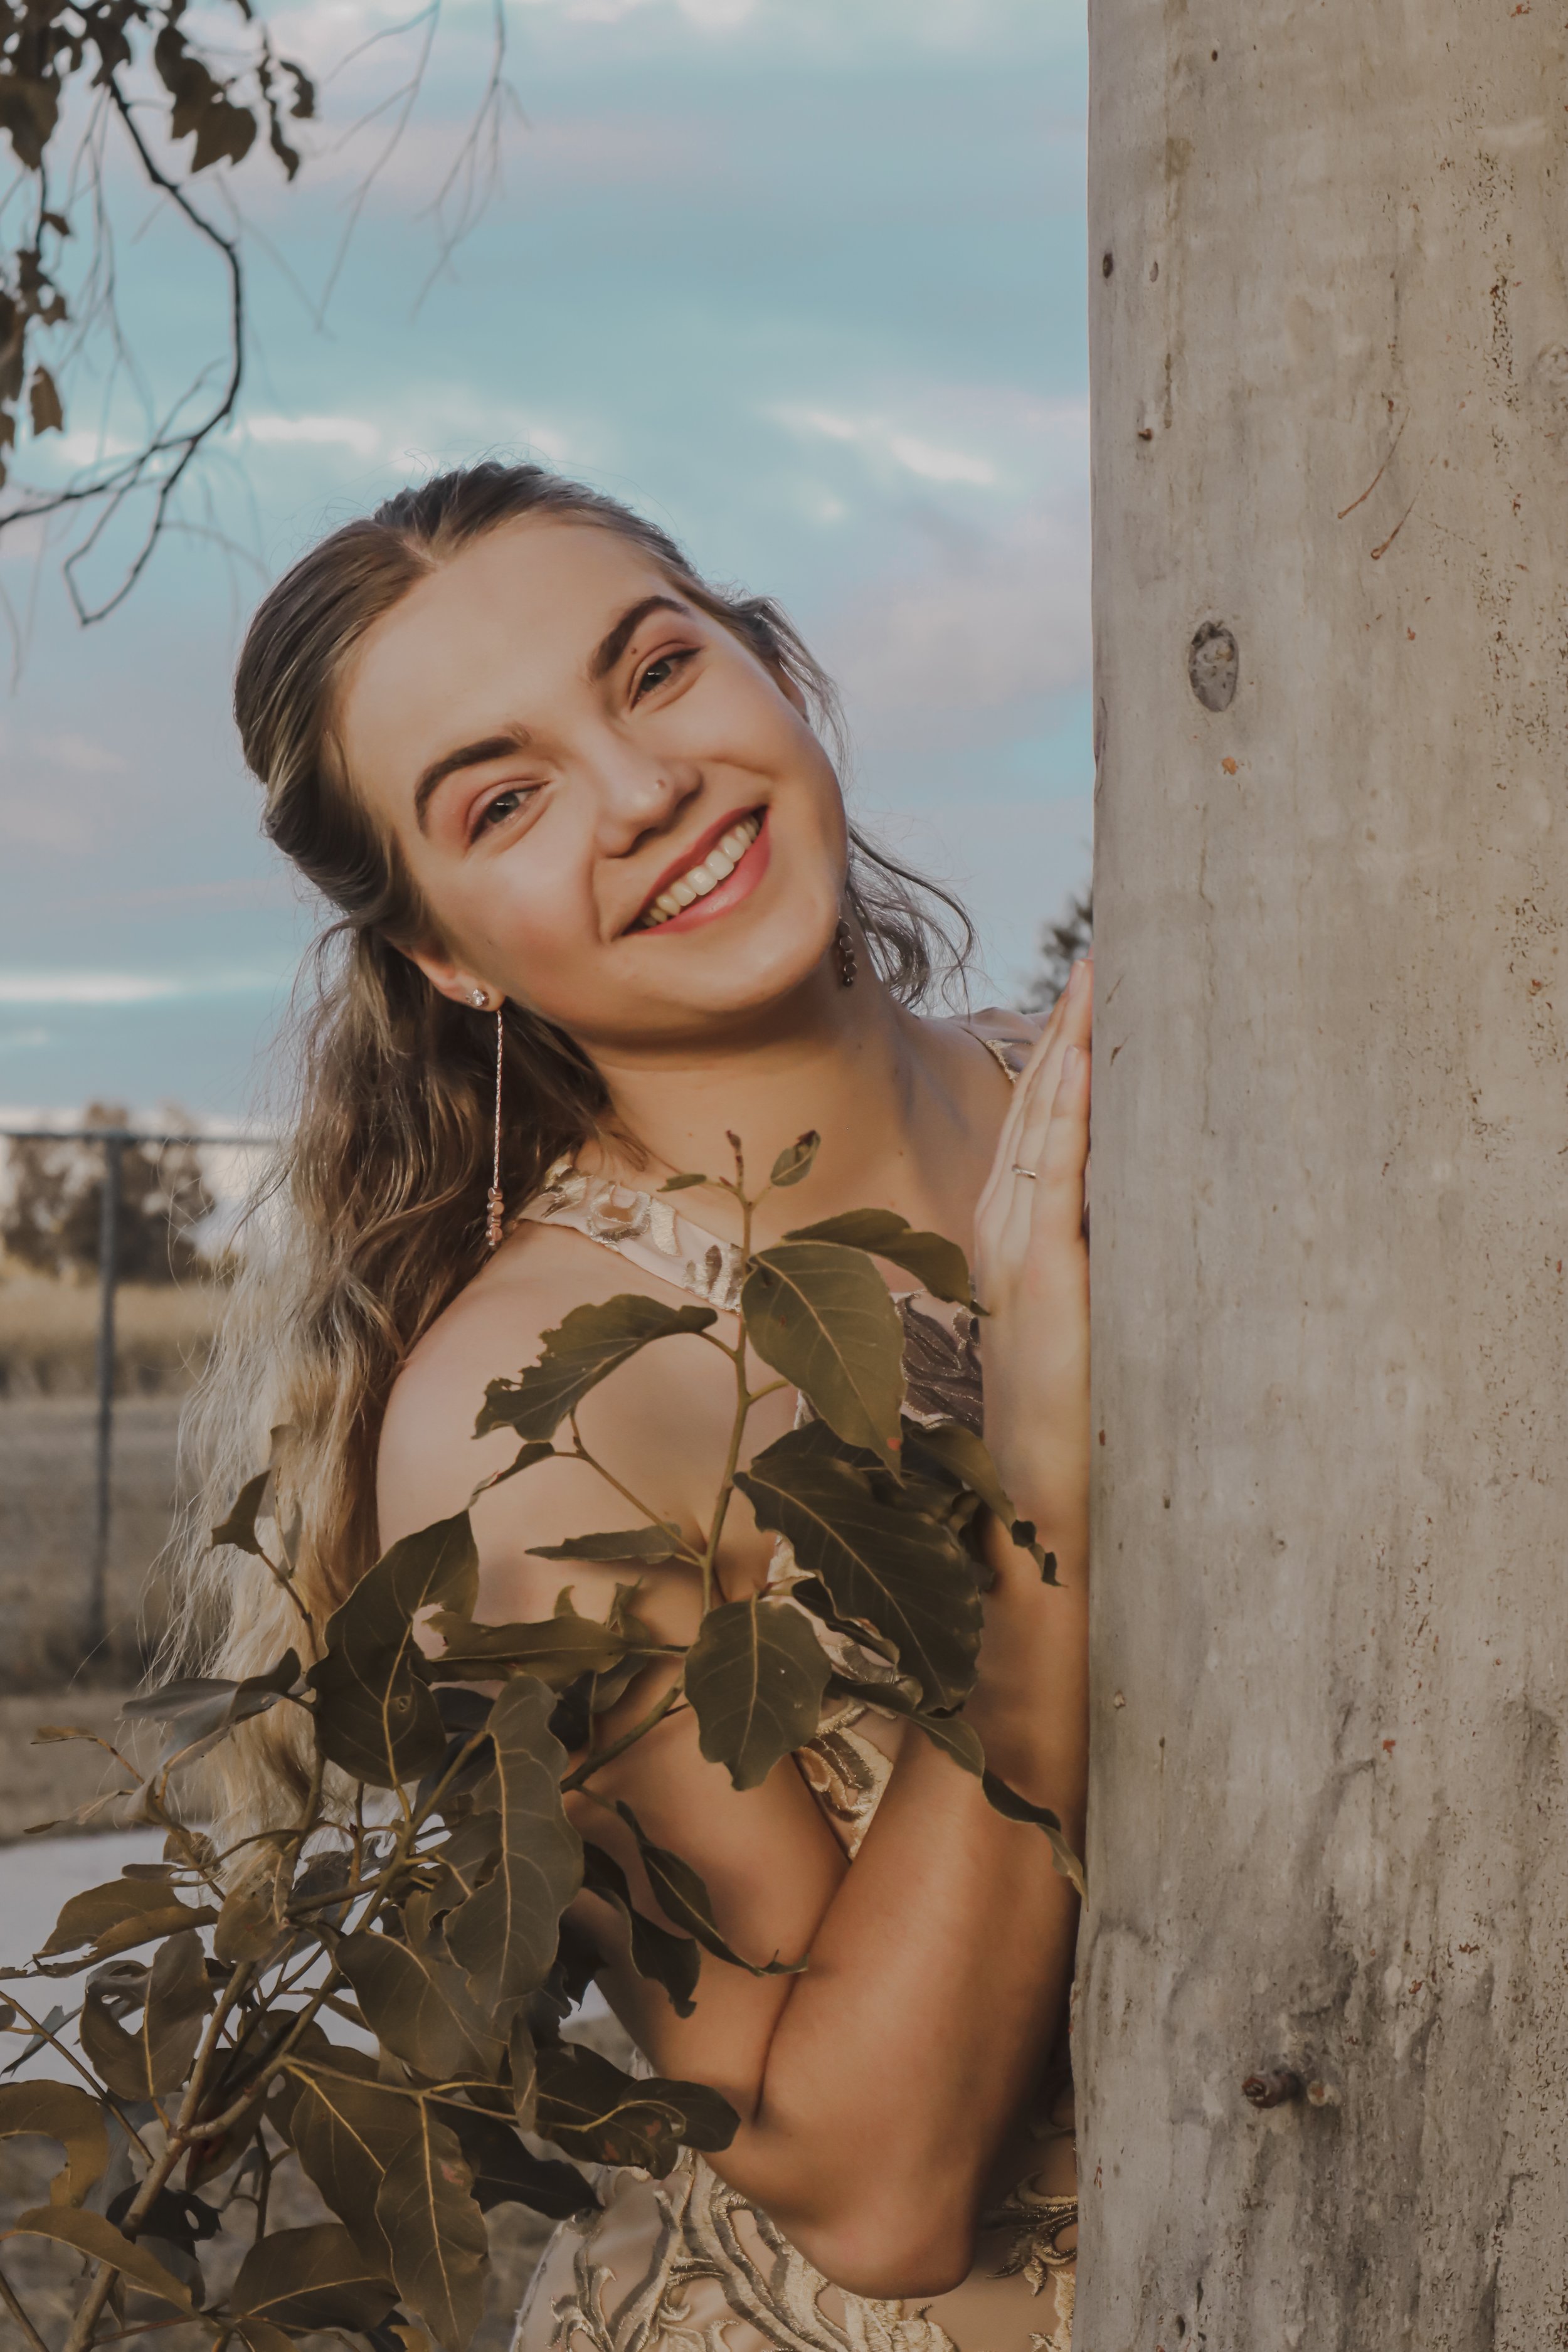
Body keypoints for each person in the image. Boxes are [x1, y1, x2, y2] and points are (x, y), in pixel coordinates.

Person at [190, 462, 1091, 2351]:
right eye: (503, 799)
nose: (641, 788)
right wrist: (1043, 1526)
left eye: (657, 670)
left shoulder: (1130, 1088)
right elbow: (868, 2184)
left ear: (774, 670)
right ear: (444, 955)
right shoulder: (532, 1430)